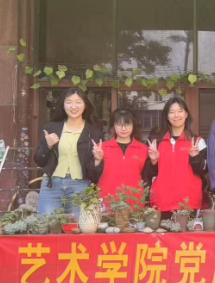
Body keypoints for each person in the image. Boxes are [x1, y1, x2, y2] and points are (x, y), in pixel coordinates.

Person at [34, 87, 103, 217]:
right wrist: (48, 146)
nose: (73, 106)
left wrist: (98, 160)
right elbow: (39, 160)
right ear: (63, 105)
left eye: (78, 102)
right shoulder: (51, 128)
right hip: (52, 185)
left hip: (81, 185)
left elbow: (94, 174)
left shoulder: (94, 132)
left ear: (85, 105)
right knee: (48, 225)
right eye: (69, 102)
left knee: (77, 226)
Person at [146, 97, 207, 217]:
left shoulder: (197, 141)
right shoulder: (157, 142)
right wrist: (153, 161)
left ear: (186, 114)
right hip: (162, 203)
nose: (176, 115)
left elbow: (204, 172)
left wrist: (195, 158)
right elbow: (149, 174)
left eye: (180, 111)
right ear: (167, 116)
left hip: (189, 203)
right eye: (172, 112)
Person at [91, 108, 150, 207]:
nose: (123, 128)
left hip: (134, 201)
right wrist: (97, 160)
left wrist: (154, 160)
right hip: (107, 201)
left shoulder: (144, 149)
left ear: (133, 126)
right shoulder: (101, 148)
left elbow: (147, 178)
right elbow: (92, 177)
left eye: (127, 124)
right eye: (119, 124)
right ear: (113, 126)